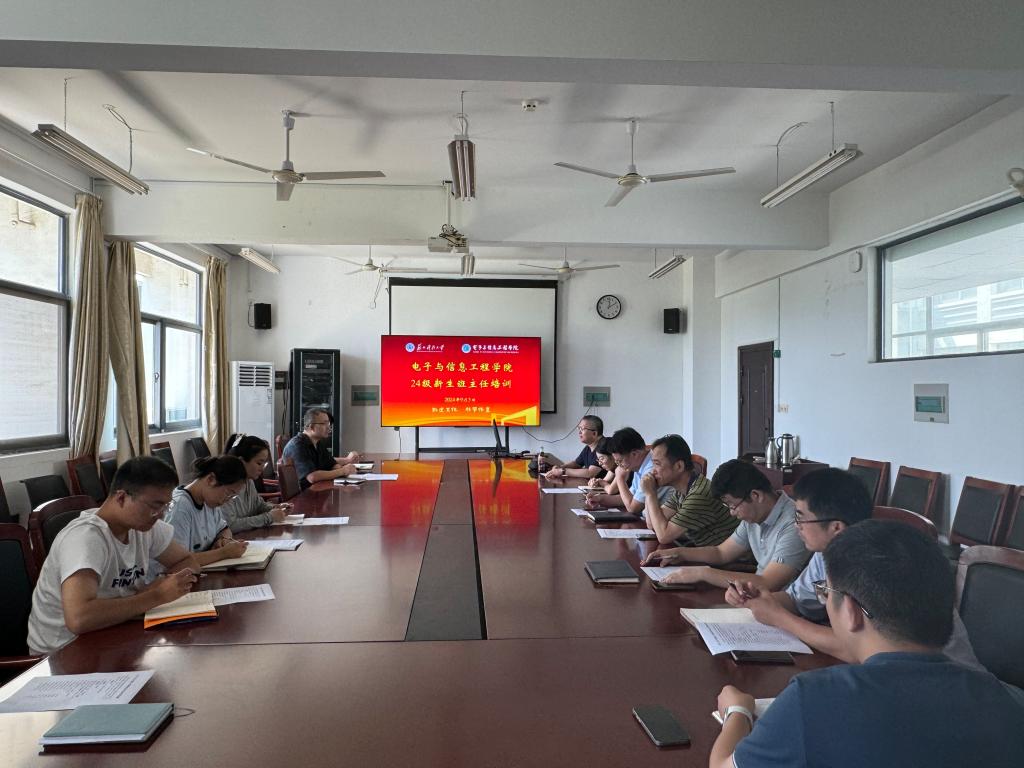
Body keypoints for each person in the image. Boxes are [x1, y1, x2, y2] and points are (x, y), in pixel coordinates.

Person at [709, 520, 1024, 768]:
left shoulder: (813, 699)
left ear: (850, 611)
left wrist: (738, 710)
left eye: (825, 593)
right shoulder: (1009, 703)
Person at [726, 467, 982, 669]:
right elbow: (796, 599)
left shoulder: (880, 561)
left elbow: (855, 647)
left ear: (836, 527)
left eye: (801, 517)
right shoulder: (826, 553)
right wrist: (759, 598)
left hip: (950, 683)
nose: (796, 526)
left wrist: (780, 619)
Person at [27, 456, 201, 655]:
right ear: (121, 498)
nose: (161, 514)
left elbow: (188, 561)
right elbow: (79, 618)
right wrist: (156, 595)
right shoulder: (86, 538)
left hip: (114, 633)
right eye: (155, 506)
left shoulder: (144, 527)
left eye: (166, 506)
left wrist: (161, 583)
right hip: (62, 653)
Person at [642, 459, 808, 591]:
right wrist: (680, 553)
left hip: (781, 605)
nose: (731, 513)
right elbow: (721, 552)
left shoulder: (794, 524)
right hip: (754, 598)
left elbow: (768, 583)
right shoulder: (754, 516)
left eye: (732, 505)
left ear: (756, 495)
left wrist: (703, 573)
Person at [156, 455, 249, 573]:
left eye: (232, 496)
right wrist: (224, 553)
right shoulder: (180, 508)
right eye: (228, 493)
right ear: (211, 479)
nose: (227, 500)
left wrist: (224, 539)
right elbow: (179, 562)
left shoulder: (210, 502)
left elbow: (224, 529)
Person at [641, 434, 739, 546]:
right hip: (711, 552)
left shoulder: (698, 495)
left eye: (657, 464)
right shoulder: (681, 491)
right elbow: (652, 524)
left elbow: (663, 536)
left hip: (733, 556)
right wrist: (650, 492)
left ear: (679, 466)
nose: (653, 471)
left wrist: (650, 494)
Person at [220, 434, 293, 533]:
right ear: (241, 461)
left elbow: (258, 506)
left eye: (264, 463)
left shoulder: (249, 481)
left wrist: (276, 507)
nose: (262, 469)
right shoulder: (226, 486)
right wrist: (269, 517)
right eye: (259, 463)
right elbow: (231, 525)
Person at [586, 427, 668, 514]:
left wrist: (620, 478)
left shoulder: (652, 468)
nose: (618, 465)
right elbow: (630, 497)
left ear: (634, 454)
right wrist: (600, 499)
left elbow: (633, 508)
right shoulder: (639, 464)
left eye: (620, 461)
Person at [282, 408, 362, 489]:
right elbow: (312, 477)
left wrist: (341, 469)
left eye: (329, 424)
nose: (329, 428)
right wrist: (343, 471)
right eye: (324, 424)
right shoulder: (298, 445)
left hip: (318, 489)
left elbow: (332, 464)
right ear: (312, 427)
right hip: (304, 493)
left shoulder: (318, 442)